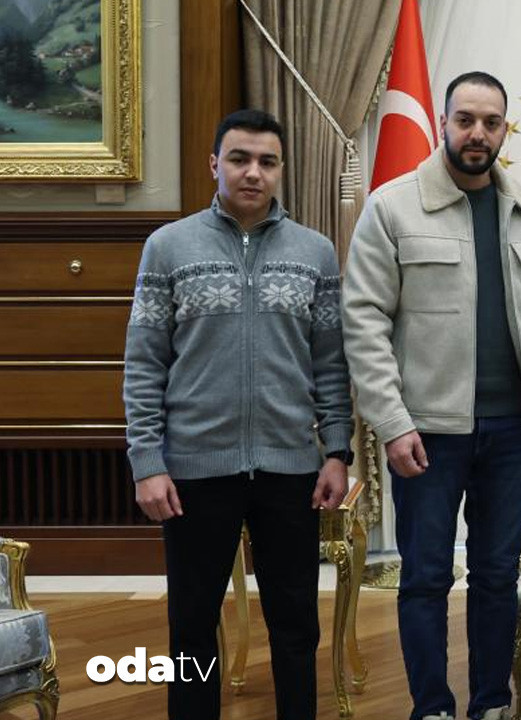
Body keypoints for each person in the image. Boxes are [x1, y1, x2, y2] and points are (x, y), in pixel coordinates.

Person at [342, 71, 521, 720]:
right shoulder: (392, 207)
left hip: (513, 432)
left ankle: (490, 704)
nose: (478, 133)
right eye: (465, 119)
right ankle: (433, 708)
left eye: (491, 122)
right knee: (424, 577)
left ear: (504, 129)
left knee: (498, 576)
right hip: (426, 434)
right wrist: (391, 422)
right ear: (444, 123)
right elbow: (363, 321)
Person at [123, 108, 353, 720]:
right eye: (240, 159)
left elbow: (331, 364)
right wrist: (147, 462)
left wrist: (337, 451)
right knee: (191, 626)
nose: (253, 172)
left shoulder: (315, 252)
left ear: (281, 170)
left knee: (295, 624)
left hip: (290, 470)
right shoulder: (168, 247)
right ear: (214, 164)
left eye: (267, 161)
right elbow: (144, 364)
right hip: (193, 471)